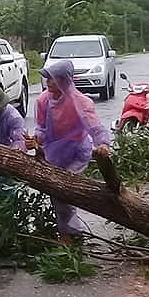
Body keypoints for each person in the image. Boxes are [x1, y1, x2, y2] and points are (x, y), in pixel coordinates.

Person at [28, 59, 112, 242]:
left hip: (77, 153)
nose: (49, 83)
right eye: (47, 79)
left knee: (63, 190)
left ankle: (68, 233)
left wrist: (103, 143)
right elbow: (41, 128)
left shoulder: (80, 102)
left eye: (53, 79)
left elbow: (94, 126)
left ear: (64, 80)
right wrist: (36, 140)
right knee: (57, 192)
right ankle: (70, 232)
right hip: (54, 154)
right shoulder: (43, 101)